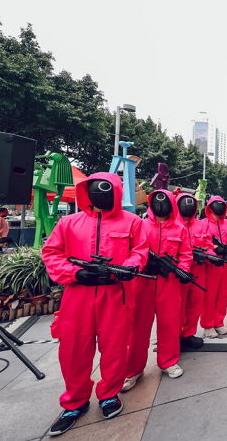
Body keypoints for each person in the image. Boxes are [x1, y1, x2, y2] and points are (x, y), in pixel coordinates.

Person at [42, 173, 147, 436]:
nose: (101, 194)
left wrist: (128, 267)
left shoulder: (133, 222)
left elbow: (140, 251)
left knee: (114, 348)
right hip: (77, 297)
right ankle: (74, 402)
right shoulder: (69, 222)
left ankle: (109, 394)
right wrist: (75, 273)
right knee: (74, 350)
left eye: (107, 189)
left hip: (116, 295)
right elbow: (52, 253)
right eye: (95, 189)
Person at [124, 189, 193, 391]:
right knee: (137, 327)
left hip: (169, 283)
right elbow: (132, 251)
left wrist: (182, 270)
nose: (160, 205)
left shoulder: (180, 228)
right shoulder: (140, 225)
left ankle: (168, 361)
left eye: (165, 202)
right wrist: (141, 264)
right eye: (156, 201)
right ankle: (133, 369)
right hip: (142, 283)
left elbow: (186, 255)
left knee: (170, 324)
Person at [200, 196, 227, 338]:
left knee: (223, 295)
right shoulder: (203, 224)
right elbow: (201, 242)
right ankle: (208, 325)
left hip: (226, 264)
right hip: (211, 265)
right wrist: (214, 248)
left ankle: (219, 322)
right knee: (210, 295)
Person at [175, 193, 206, 350]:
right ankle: (174, 336)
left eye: (191, 204)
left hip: (198, 270)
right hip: (177, 274)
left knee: (195, 304)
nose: (188, 207)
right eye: (184, 204)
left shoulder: (201, 225)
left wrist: (211, 255)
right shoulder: (172, 225)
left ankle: (188, 334)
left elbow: (208, 246)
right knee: (176, 307)